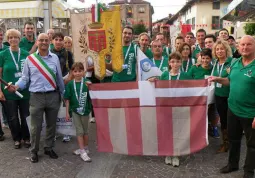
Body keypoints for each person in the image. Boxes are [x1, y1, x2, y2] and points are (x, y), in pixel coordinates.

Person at [8, 33, 65, 163]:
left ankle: (48, 147)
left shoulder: (55, 58)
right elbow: (25, 78)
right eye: (41, 40)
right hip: (36, 97)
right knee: (35, 127)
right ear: (37, 42)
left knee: (51, 125)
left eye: (46, 40)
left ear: (49, 42)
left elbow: (59, 78)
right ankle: (34, 151)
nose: (44, 42)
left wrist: (63, 94)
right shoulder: (30, 59)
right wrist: (16, 86)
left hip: (52, 95)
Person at [209, 35, 255, 178]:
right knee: (234, 139)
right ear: (238, 47)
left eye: (249, 44)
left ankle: (248, 171)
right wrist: (217, 79)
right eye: (242, 45)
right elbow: (230, 81)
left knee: (252, 145)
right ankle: (232, 164)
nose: (245, 47)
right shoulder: (235, 62)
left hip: (250, 113)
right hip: (233, 109)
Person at [159, 52, 191, 167]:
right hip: (166, 108)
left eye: (178, 61)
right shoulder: (163, 75)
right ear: (169, 63)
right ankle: (168, 152)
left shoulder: (185, 76)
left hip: (180, 107)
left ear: (181, 62)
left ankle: (176, 154)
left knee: (178, 131)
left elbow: (191, 90)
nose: (175, 64)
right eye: (172, 61)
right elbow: (159, 90)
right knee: (167, 131)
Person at [0, 29, 30, 149]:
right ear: (8, 40)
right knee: (12, 117)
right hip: (8, 92)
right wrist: (0, 91)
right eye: (10, 37)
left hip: (24, 91)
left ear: (19, 38)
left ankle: (26, 137)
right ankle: (17, 138)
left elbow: (29, 74)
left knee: (25, 115)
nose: (13, 39)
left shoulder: (26, 54)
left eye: (16, 37)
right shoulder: (2, 55)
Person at [64, 62, 92, 162]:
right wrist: (67, 112)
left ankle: (85, 148)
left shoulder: (87, 83)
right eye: (75, 71)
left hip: (86, 111)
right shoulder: (70, 84)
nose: (78, 73)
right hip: (75, 111)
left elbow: (93, 96)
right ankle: (82, 151)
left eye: (80, 71)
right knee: (79, 131)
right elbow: (67, 99)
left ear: (83, 71)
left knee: (85, 131)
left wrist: (91, 87)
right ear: (72, 72)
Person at [51, 32, 74, 142]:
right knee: (53, 108)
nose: (58, 42)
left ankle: (67, 132)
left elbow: (72, 69)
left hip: (65, 81)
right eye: (56, 39)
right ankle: (53, 132)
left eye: (60, 40)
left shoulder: (68, 54)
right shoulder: (48, 52)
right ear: (52, 41)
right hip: (52, 83)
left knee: (66, 108)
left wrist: (68, 79)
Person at [211, 40, 233, 152]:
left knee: (231, 120)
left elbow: (231, 79)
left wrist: (218, 79)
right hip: (218, 95)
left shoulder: (232, 62)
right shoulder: (214, 63)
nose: (219, 51)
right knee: (223, 120)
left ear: (226, 50)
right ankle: (225, 143)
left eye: (222, 48)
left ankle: (232, 142)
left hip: (229, 95)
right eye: (217, 49)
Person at [0, 28, 9, 128]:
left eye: (1, 35)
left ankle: (6, 122)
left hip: (3, 80)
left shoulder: (7, 48)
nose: (0, 37)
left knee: (5, 103)